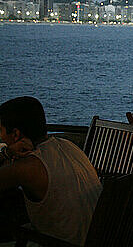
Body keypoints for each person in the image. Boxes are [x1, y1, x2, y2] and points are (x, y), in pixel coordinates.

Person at [0, 97, 102, 246]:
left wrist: (6, 153)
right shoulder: (68, 146)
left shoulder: (27, 166)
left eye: (0, 130)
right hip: (93, 238)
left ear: (16, 134)